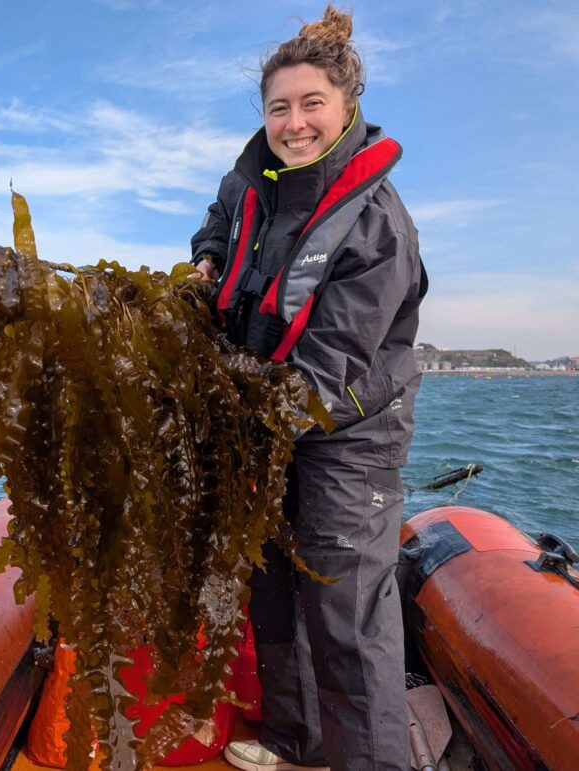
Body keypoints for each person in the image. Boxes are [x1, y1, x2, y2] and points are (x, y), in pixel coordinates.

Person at [190, 6, 427, 771]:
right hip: (266, 415)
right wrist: (201, 263)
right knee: (272, 584)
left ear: (346, 105)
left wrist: (239, 426)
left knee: (344, 606)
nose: (294, 123)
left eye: (311, 104)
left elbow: (330, 366)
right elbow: (216, 225)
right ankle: (299, 739)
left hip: (349, 425)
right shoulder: (249, 178)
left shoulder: (378, 224)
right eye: (279, 107)